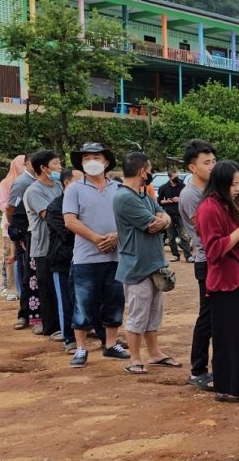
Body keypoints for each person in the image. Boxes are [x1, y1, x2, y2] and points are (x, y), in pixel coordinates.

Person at [196, 160, 239, 403]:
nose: (237, 189)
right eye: (233, 184)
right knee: (229, 339)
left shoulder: (228, 205)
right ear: (221, 183)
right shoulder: (209, 208)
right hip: (224, 282)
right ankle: (228, 388)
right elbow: (213, 251)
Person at [63, 142, 131, 368]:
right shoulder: (74, 189)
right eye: (87, 158)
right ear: (81, 163)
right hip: (86, 258)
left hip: (115, 256)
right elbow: (70, 220)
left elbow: (128, 218)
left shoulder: (118, 188)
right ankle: (81, 348)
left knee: (114, 301)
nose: (92, 161)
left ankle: (111, 344)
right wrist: (96, 239)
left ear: (106, 161)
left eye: (97, 157)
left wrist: (116, 236)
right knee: (83, 303)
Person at [113, 152, 177, 374]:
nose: (150, 173)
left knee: (153, 313)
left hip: (153, 264)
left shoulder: (142, 196)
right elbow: (152, 224)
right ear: (142, 171)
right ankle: (134, 358)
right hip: (136, 266)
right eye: (149, 169)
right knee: (138, 314)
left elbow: (162, 215)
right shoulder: (125, 197)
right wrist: (162, 220)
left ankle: (154, 353)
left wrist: (163, 220)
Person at [179, 139, 217, 390]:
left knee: (217, 317)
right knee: (207, 316)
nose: (212, 166)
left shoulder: (212, 189)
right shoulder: (190, 195)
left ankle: (217, 366)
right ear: (193, 167)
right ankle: (197, 369)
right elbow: (205, 232)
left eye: (214, 161)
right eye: (206, 162)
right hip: (206, 260)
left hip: (219, 259)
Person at [24, 150, 64, 342]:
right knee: (47, 287)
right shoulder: (34, 191)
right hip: (43, 246)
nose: (60, 167)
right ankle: (51, 326)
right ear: (44, 168)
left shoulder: (58, 186)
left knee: (62, 286)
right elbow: (49, 215)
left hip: (60, 244)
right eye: (56, 163)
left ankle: (64, 323)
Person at [46, 168, 82, 354]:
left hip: (85, 259)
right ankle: (69, 338)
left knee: (90, 298)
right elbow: (67, 233)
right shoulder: (55, 207)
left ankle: (101, 335)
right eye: (80, 179)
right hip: (63, 260)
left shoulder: (84, 202)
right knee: (66, 301)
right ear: (67, 183)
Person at [5, 153, 41, 331]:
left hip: (35, 235)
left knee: (33, 277)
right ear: (26, 163)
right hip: (25, 236)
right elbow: (11, 208)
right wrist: (17, 232)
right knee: (27, 277)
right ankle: (24, 314)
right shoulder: (22, 183)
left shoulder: (39, 181)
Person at [0, 155, 27, 301]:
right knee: (10, 257)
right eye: (20, 164)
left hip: (25, 224)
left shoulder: (30, 182)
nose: (23, 167)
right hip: (9, 225)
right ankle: (11, 288)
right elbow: (2, 203)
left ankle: (23, 287)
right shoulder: (6, 183)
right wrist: (14, 209)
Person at [157, 166, 191, 262]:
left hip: (180, 213)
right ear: (169, 177)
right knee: (171, 236)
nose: (177, 178)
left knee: (184, 235)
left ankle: (188, 256)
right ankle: (175, 255)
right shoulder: (163, 187)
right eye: (174, 177)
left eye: (177, 176)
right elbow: (160, 201)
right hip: (169, 213)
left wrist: (179, 199)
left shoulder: (183, 186)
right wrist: (167, 201)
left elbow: (187, 198)